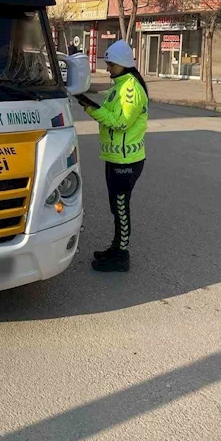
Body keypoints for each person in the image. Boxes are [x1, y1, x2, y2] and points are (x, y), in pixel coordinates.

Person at [79, 40, 148, 273]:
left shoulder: (131, 89)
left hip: (127, 161)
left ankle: (121, 255)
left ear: (121, 64)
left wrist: (89, 108)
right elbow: (109, 112)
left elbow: (119, 122)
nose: (107, 68)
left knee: (120, 207)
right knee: (115, 207)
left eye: (110, 64)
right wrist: (87, 103)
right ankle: (116, 247)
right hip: (116, 158)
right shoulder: (119, 86)